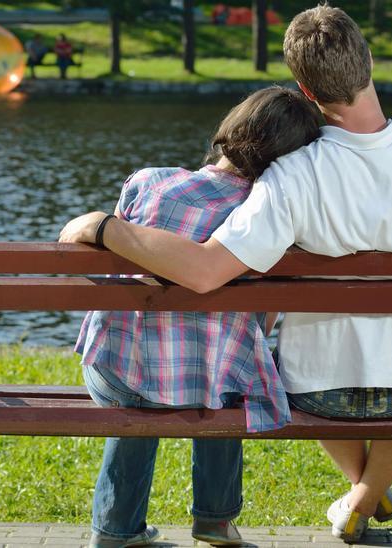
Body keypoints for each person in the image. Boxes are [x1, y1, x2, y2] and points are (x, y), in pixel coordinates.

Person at [60, 4, 392, 543]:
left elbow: (204, 271)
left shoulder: (291, 173)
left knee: (309, 355)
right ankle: (363, 497)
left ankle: (361, 494)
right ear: (367, 60)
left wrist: (109, 228)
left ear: (305, 89)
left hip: (316, 394)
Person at [79, 87, 323, 548]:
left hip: (115, 374)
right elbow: (262, 323)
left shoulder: (147, 181)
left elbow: (116, 270)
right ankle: (215, 519)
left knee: (140, 374)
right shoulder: (264, 216)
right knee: (229, 369)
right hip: (212, 387)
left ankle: (115, 529)